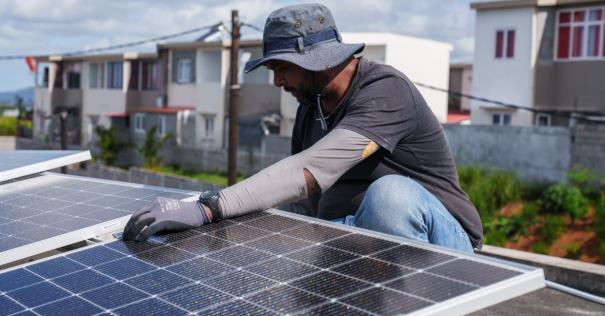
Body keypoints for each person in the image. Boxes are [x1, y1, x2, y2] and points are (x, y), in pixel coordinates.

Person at [123, 3, 482, 252]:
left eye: (282, 68)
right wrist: (214, 228)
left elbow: (309, 171)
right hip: (357, 236)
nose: (278, 81)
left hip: (443, 245)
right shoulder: (312, 110)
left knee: (389, 196)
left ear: (316, 61)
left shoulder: (385, 91)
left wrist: (208, 208)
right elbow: (302, 203)